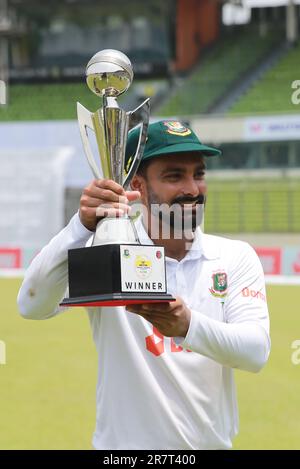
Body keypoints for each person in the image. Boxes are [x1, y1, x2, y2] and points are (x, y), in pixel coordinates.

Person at [17, 120, 270, 450]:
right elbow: (32, 304)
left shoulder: (234, 256)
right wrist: (78, 227)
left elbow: (255, 352)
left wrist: (186, 325)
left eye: (199, 173)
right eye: (174, 176)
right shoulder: (107, 253)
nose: (193, 188)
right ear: (138, 184)